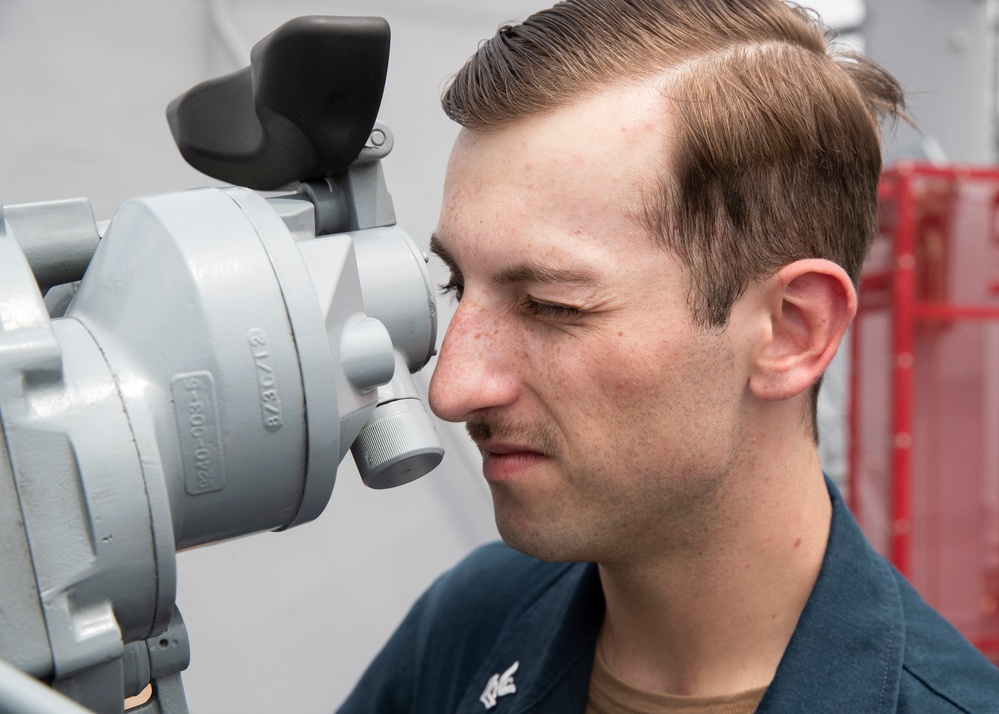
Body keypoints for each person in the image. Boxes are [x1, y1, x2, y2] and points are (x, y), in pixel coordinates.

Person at [340, 1, 999, 711]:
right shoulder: (470, 625)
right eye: (456, 285)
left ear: (790, 331)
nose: (452, 389)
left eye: (552, 305)